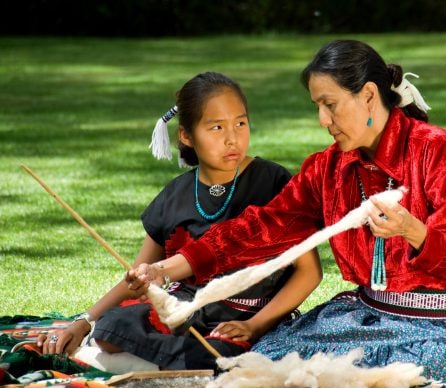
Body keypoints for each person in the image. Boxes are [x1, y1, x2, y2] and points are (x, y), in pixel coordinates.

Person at [130, 41, 446, 380]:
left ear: (369, 95)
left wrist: (415, 231)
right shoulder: (329, 168)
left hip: (445, 326)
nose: (322, 119)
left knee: (432, 365)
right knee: (272, 355)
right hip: (370, 314)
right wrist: (168, 270)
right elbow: (261, 228)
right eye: (317, 105)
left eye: (329, 104)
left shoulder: (438, 152)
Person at [36, 71, 322, 370]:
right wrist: (84, 321)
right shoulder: (175, 194)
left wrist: (257, 325)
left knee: (218, 351)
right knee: (111, 328)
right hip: (185, 311)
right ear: (187, 135)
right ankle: (179, 364)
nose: (232, 137)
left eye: (240, 123)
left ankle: (159, 364)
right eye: (216, 127)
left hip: (246, 318)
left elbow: (309, 272)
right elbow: (140, 276)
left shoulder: (273, 182)